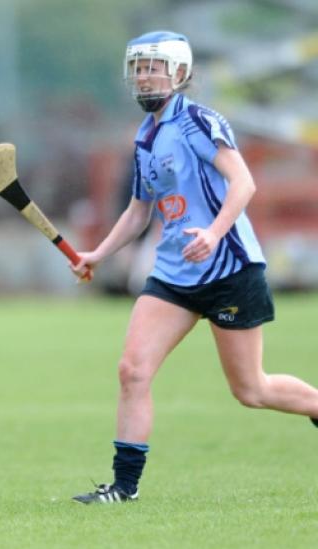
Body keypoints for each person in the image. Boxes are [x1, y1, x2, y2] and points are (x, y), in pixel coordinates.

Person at [69, 31, 318, 504]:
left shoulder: (199, 121)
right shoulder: (144, 137)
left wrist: (214, 233)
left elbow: (243, 182)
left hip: (229, 268)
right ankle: (124, 488)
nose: (144, 77)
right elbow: (138, 212)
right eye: (138, 68)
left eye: (153, 67)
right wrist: (99, 254)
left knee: (251, 389)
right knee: (132, 371)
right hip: (173, 275)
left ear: (179, 73)